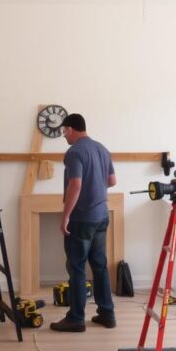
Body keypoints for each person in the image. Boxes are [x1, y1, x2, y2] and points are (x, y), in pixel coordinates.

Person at [50, 114, 117, 332]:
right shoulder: (102, 148)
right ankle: (107, 314)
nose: (64, 137)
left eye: (64, 132)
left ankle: (76, 318)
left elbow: (75, 185)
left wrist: (66, 215)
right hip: (101, 216)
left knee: (76, 267)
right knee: (99, 266)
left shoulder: (74, 152)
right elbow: (111, 181)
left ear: (70, 129)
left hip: (81, 219)